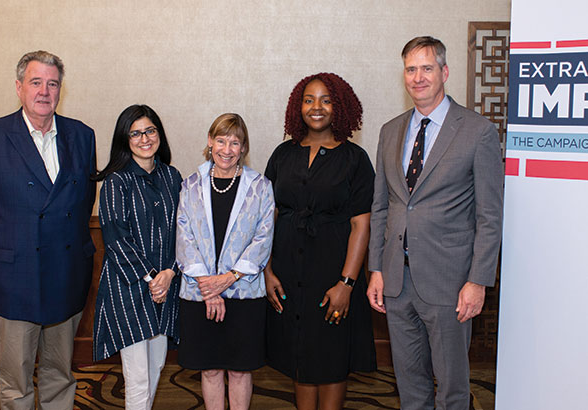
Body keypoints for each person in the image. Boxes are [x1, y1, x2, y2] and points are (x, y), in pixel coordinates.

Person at [367, 36, 504, 410]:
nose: (418, 77)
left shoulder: (477, 132)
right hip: (396, 279)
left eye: (427, 68)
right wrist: (376, 269)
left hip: (451, 282)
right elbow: (382, 207)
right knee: (409, 386)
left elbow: (490, 217)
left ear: (444, 72)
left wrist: (477, 281)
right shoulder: (390, 131)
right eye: (411, 69)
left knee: (452, 388)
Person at [0, 50, 97, 409]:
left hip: (67, 274)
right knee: (16, 381)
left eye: (52, 84)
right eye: (36, 82)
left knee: (59, 374)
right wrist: (4, 249)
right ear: (19, 87)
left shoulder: (82, 136)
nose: (44, 91)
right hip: (14, 277)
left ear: (60, 90)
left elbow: (82, 204)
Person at [264, 73, 376, 410]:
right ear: (298, 107)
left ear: (339, 106)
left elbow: (361, 225)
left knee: (330, 357)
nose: (317, 107)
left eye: (326, 99)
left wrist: (346, 284)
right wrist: (266, 272)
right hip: (286, 271)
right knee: (299, 354)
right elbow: (265, 219)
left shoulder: (355, 159)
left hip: (332, 271)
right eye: (309, 100)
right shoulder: (282, 155)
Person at [176, 113, 275, 410]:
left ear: (244, 147)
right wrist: (210, 287)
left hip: (244, 294)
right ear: (209, 142)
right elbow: (184, 237)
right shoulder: (190, 185)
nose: (227, 149)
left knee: (240, 369)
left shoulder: (260, 186)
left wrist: (227, 278)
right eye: (221, 140)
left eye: (235, 142)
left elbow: (263, 237)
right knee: (209, 368)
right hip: (199, 294)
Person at [93, 105, 182, 409]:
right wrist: (151, 279)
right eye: (135, 132)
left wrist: (168, 274)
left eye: (150, 130)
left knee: (156, 366)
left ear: (159, 134)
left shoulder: (173, 177)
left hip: (166, 288)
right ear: (124, 139)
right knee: (138, 375)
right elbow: (117, 239)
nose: (145, 138)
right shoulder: (116, 182)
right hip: (129, 290)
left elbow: (183, 233)